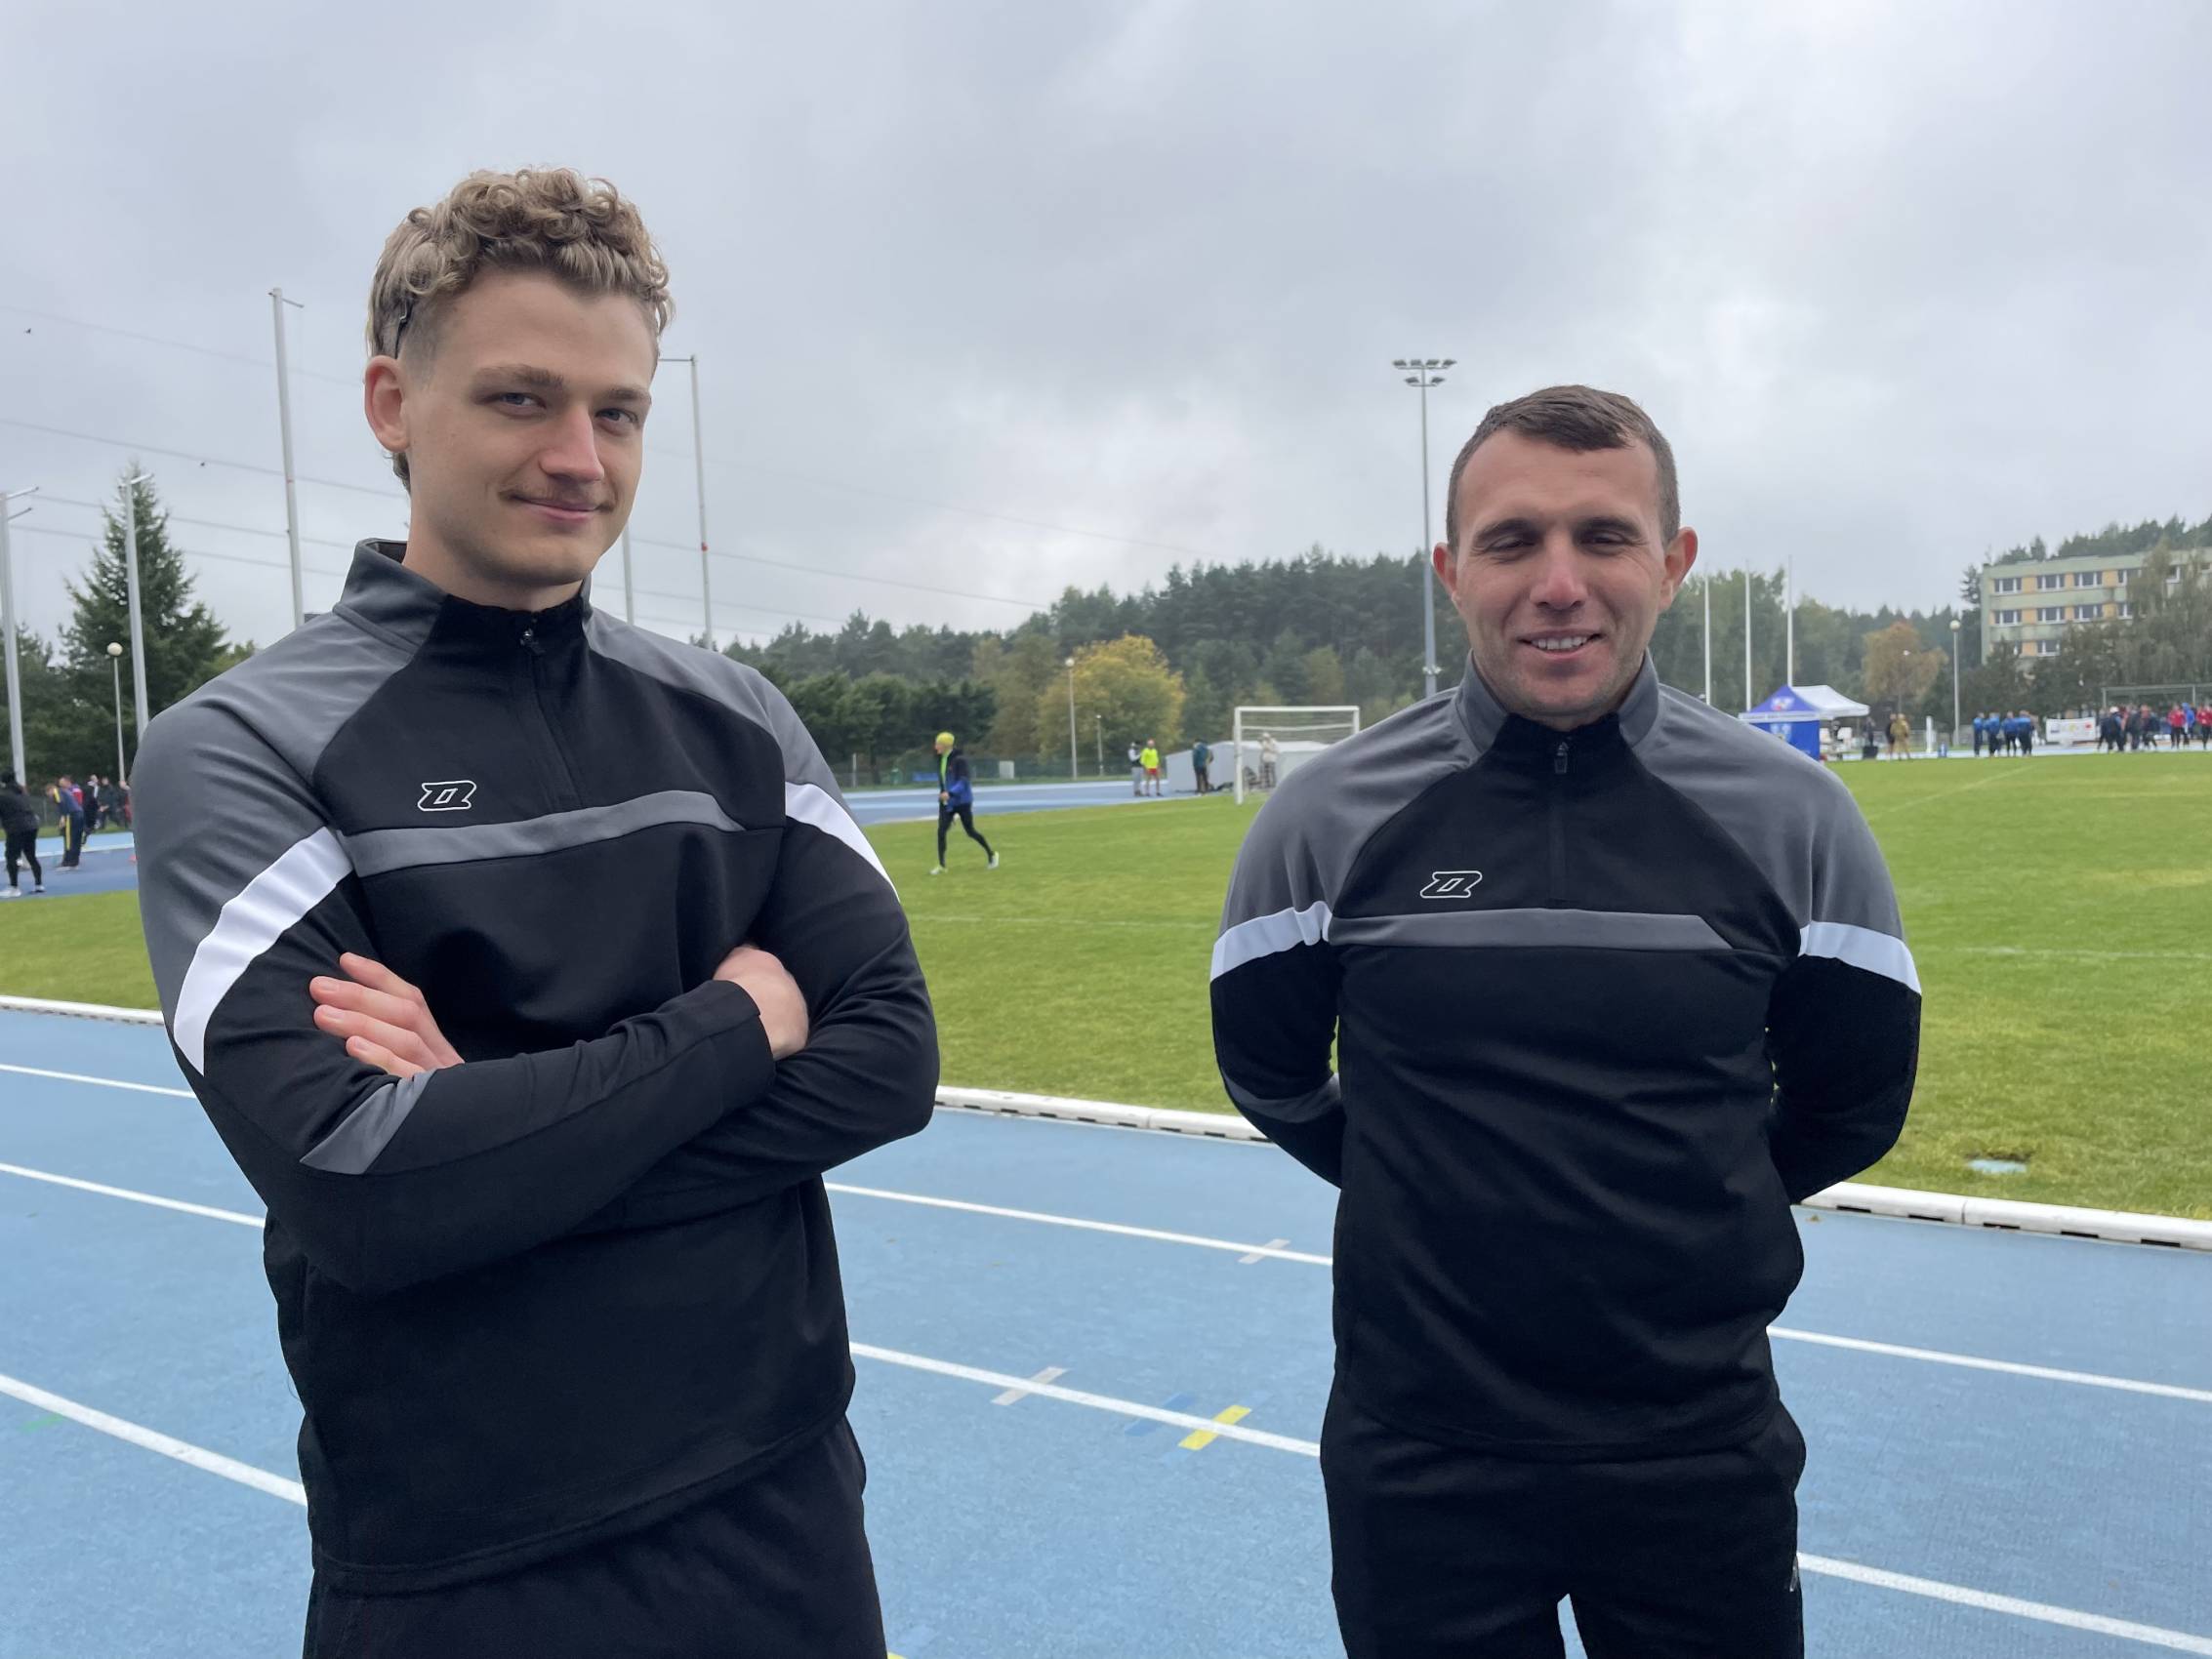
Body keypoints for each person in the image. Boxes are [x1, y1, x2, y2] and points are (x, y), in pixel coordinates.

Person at [130, 168, 936, 1659]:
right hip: (461, 1560)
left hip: (783, 1511)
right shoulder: (241, 748)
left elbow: (889, 1061)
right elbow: (372, 1193)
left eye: (617, 413)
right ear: (393, 403)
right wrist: (734, 1021)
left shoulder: (736, 719)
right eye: (521, 400)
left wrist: (496, 1137)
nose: (579, 457)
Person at [1212, 385, 1918, 1659]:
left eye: (1602, 536)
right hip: (1418, 1454)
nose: (1557, 583)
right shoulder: (1323, 818)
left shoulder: (1794, 818)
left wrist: (1688, 1211)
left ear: (1672, 561)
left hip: (1695, 1448)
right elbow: (1267, 1072)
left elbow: (1853, 1101)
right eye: (1511, 541)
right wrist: (1423, 1186)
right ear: (1451, 572)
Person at [929, 730, 997, 874]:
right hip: (947, 802)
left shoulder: (960, 760)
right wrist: (943, 794)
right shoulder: (941, 759)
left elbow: (963, 781)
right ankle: (942, 865)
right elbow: (944, 780)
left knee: (970, 831)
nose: (935, 747)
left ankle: (992, 855)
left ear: (946, 745)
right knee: (941, 831)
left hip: (962, 801)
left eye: (938, 744)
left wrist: (950, 793)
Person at [0, 774, 43, 897]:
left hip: (17, 828)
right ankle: (39, 884)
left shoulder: (4, 796)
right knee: (31, 855)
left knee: (11, 856)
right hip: (32, 826)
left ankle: (14, 887)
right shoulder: (22, 792)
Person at [50, 776, 85, 870]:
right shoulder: (68, 791)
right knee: (76, 839)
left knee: (69, 839)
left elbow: (61, 803)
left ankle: (68, 862)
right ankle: (74, 861)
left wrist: (63, 817)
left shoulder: (57, 791)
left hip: (71, 815)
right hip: (79, 814)